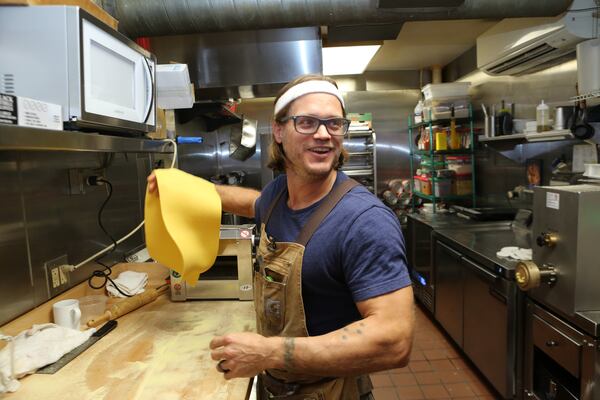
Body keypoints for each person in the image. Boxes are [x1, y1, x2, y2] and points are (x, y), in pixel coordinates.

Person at [147, 74, 414, 399]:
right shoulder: (277, 195)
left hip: (332, 392)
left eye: (334, 124)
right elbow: (252, 204)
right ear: (278, 130)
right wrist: (186, 189)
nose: (323, 135)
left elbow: (394, 339)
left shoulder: (364, 222)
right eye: (306, 122)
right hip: (277, 388)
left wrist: (271, 352)